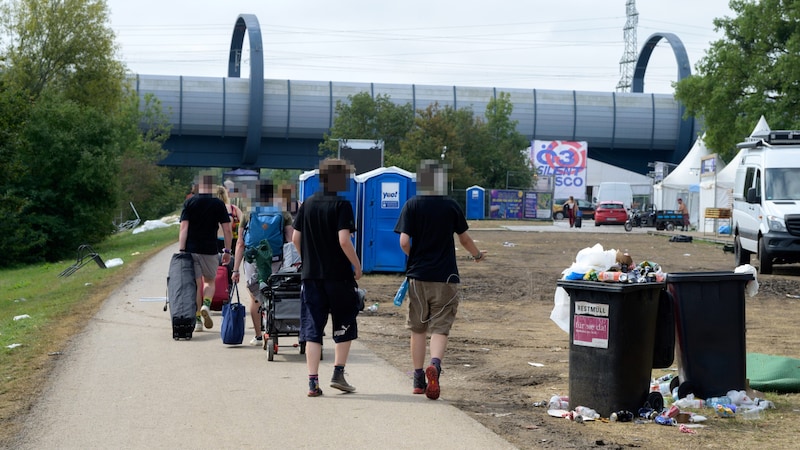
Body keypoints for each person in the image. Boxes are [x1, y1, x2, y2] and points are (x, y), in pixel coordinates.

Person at [394, 160, 486, 400]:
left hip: (417, 277)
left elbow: (404, 241)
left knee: (417, 327)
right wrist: (476, 255)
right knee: (440, 327)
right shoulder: (450, 206)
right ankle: (435, 364)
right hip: (446, 276)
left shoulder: (412, 205)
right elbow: (464, 239)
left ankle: (417, 379)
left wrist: (414, 257)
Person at [292, 159, 362, 397]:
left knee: (313, 327)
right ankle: (338, 374)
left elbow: (294, 239)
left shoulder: (308, 204)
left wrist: (308, 259)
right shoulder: (342, 205)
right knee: (344, 322)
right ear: (338, 179)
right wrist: (357, 264)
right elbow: (344, 240)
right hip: (339, 276)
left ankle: (312, 382)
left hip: (311, 277)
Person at [231, 180, 294, 346]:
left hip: (253, 260)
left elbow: (240, 243)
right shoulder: (283, 213)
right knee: (275, 294)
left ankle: (259, 336)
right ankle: (274, 330)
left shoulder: (248, 213)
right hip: (276, 259)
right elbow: (290, 240)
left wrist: (235, 269)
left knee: (255, 298)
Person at [179, 175, 233, 332]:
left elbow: (183, 228)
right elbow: (227, 229)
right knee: (209, 281)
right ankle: (206, 305)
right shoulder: (218, 204)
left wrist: (182, 250)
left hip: (190, 249)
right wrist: (227, 250)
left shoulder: (189, 202)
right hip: (209, 249)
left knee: (195, 285)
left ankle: (197, 321)